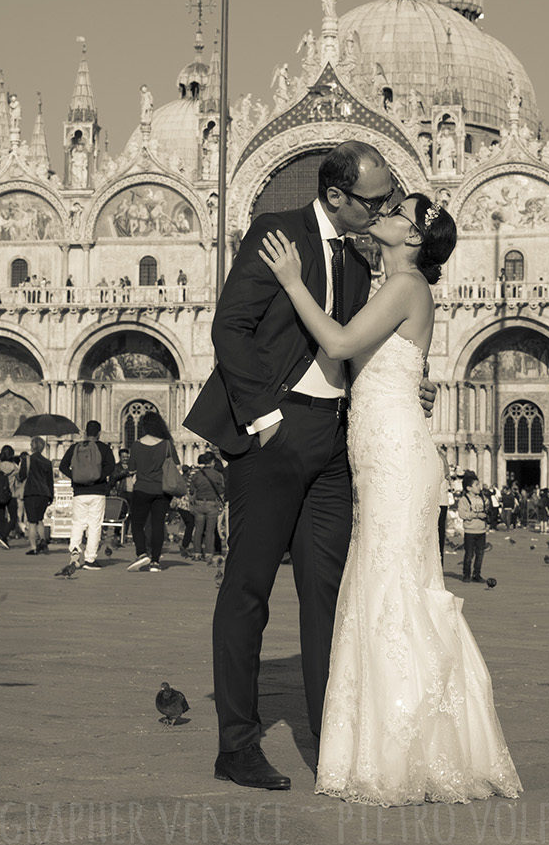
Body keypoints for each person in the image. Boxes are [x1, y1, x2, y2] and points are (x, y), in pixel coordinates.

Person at [184, 141, 442, 794]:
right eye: (375, 198)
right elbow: (230, 329)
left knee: (326, 594)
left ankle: (335, 742)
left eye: (390, 200)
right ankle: (237, 745)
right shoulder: (279, 234)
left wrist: (408, 383)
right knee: (248, 588)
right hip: (275, 432)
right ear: (336, 197)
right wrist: (263, 419)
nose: (384, 205)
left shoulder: (362, 265)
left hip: (333, 443)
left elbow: (354, 347)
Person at [257, 187, 519, 804]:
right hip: (385, 452)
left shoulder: (405, 287)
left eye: (397, 214)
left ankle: (402, 749)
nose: (384, 216)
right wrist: (414, 389)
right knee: (386, 587)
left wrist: (294, 281)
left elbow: (343, 346)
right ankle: (400, 743)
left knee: (391, 588)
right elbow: (378, 366)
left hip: (398, 458)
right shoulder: (394, 288)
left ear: (414, 238)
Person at [126, 411, 179, 572]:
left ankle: (142, 553)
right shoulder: (167, 444)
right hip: (162, 490)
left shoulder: (136, 445)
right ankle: (155, 562)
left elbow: (131, 469)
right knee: (158, 525)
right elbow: (175, 465)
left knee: (137, 524)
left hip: (142, 489)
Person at [58, 423, 114, 565]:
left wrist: (75, 476)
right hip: (97, 491)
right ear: (99, 433)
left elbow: (62, 465)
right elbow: (111, 466)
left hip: (79, 492)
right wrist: (98, 477)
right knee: (94, 525)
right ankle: (90, 559)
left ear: (85, 432)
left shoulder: (76, 447)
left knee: (78, 523)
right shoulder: (104, 448)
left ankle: (75, 550)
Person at [20, 437, 57, 556]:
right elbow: (50, 481)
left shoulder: (28, 460)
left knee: (31, 521)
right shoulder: (47, 462)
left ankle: (33, 547)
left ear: (32, 446)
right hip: (44, 494)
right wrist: (51, 496)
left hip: (31, 493)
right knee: (40, 519)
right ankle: (42, 540)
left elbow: (21, 476)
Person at [186, 452, 226, 562]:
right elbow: (222, 490)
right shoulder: (218, 475)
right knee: (210, 531)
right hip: (212, 504)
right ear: (213, 462)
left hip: (199, 504)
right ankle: (208, 553)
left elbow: (191, 490)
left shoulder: (196, 475)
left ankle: (197, 553)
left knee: (198, 530)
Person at [456, 469, 490, 582]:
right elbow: (462, 514)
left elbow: (486, 511)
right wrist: (476, 515)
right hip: (470, 531)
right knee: (469, 554)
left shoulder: (482, 499)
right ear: (468, 488)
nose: (479, 487)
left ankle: (477, 574)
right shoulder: (464, 500)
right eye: (476, 485)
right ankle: (466, 574)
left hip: (481, 530)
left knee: (480, 554)